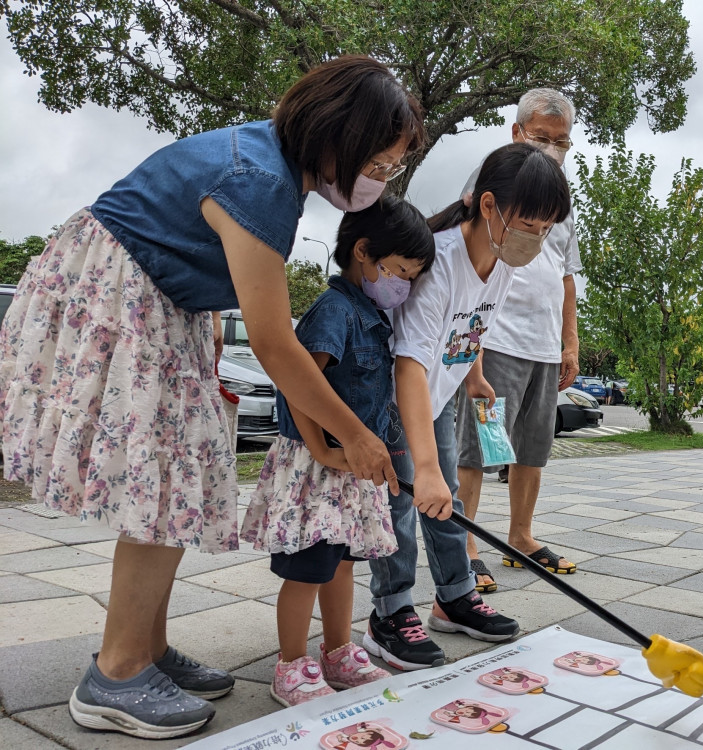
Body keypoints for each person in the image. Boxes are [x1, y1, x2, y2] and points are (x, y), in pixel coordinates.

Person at [0, 56, 421, 738]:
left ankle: (148, 647)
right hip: (127, 294)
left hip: (162, 301)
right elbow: (276, 344)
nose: (382, 177)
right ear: (338, 137)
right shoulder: (260, 181)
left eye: (392, 168)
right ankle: (118, 672)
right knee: (163, 484)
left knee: (176, 476)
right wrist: (360, 436)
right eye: (379, 160)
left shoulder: (271, 165)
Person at [364, 143, 571, 670]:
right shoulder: (438, 262)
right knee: (404, 505)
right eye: (528, 224)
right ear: (487, 206)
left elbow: (473, 326)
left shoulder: (502, 262)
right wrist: (425, 465)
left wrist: (474, 377)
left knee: (447, 500)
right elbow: (408, 366)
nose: (536, 239)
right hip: (396, 404)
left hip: (440, 394)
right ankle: (389, 614)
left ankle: (454, 599)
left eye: (546, 230)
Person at [240, 197, 434, 706]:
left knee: (345, 560)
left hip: (355, 466)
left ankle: (338, 650)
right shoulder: (334, 312)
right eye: (401, 272)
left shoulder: (373, 314)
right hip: (317, 465)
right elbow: (295, 381)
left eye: (413, 277)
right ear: (364, 253)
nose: (404, 286)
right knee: (308, 566)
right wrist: (322, 450)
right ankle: (291, 665)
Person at [455, 89, 582, 593]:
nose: (552, 148)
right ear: (517, 133)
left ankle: (521, 537)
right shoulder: (496, 177)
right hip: (497, 340)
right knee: (477, 449)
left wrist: (569, 342)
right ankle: (465, 545)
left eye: (561, 140)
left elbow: (568, 275)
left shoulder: (563, 198)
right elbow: (468, 260)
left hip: (544, 347)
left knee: (534, 448)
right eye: (541, 137)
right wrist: (474, 347)